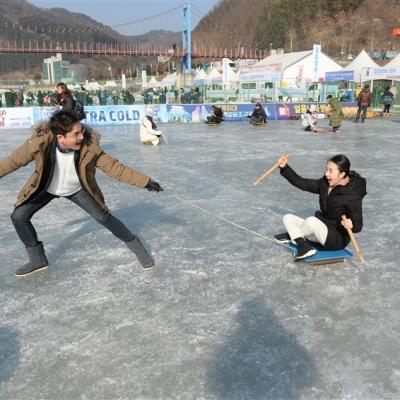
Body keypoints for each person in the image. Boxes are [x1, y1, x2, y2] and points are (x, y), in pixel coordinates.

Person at [0, 110, 163, 277]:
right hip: (46, 188)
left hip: (77, 189)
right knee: (18, 216)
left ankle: (136, 246)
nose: (81, 136)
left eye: (82, 131)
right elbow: (12, 161)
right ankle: (37, 260)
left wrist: (145, 181)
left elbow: (115, 167)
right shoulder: (39, 143)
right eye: (76, 134)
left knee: (104, 217)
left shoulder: (88, 148)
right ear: (60, 137)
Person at [274, 154, 366, 261]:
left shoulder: (351, 195)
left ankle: (296, 237)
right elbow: (302, 183)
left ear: (342, 174)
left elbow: (358, 226)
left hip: (336, 239)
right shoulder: (324, 184)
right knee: (288, 217)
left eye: (331, 171)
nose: (326, 173)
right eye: (326, 169)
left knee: (312, 221)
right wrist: (284, 167)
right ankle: (302, 244)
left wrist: (352, 224)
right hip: (320, 230)